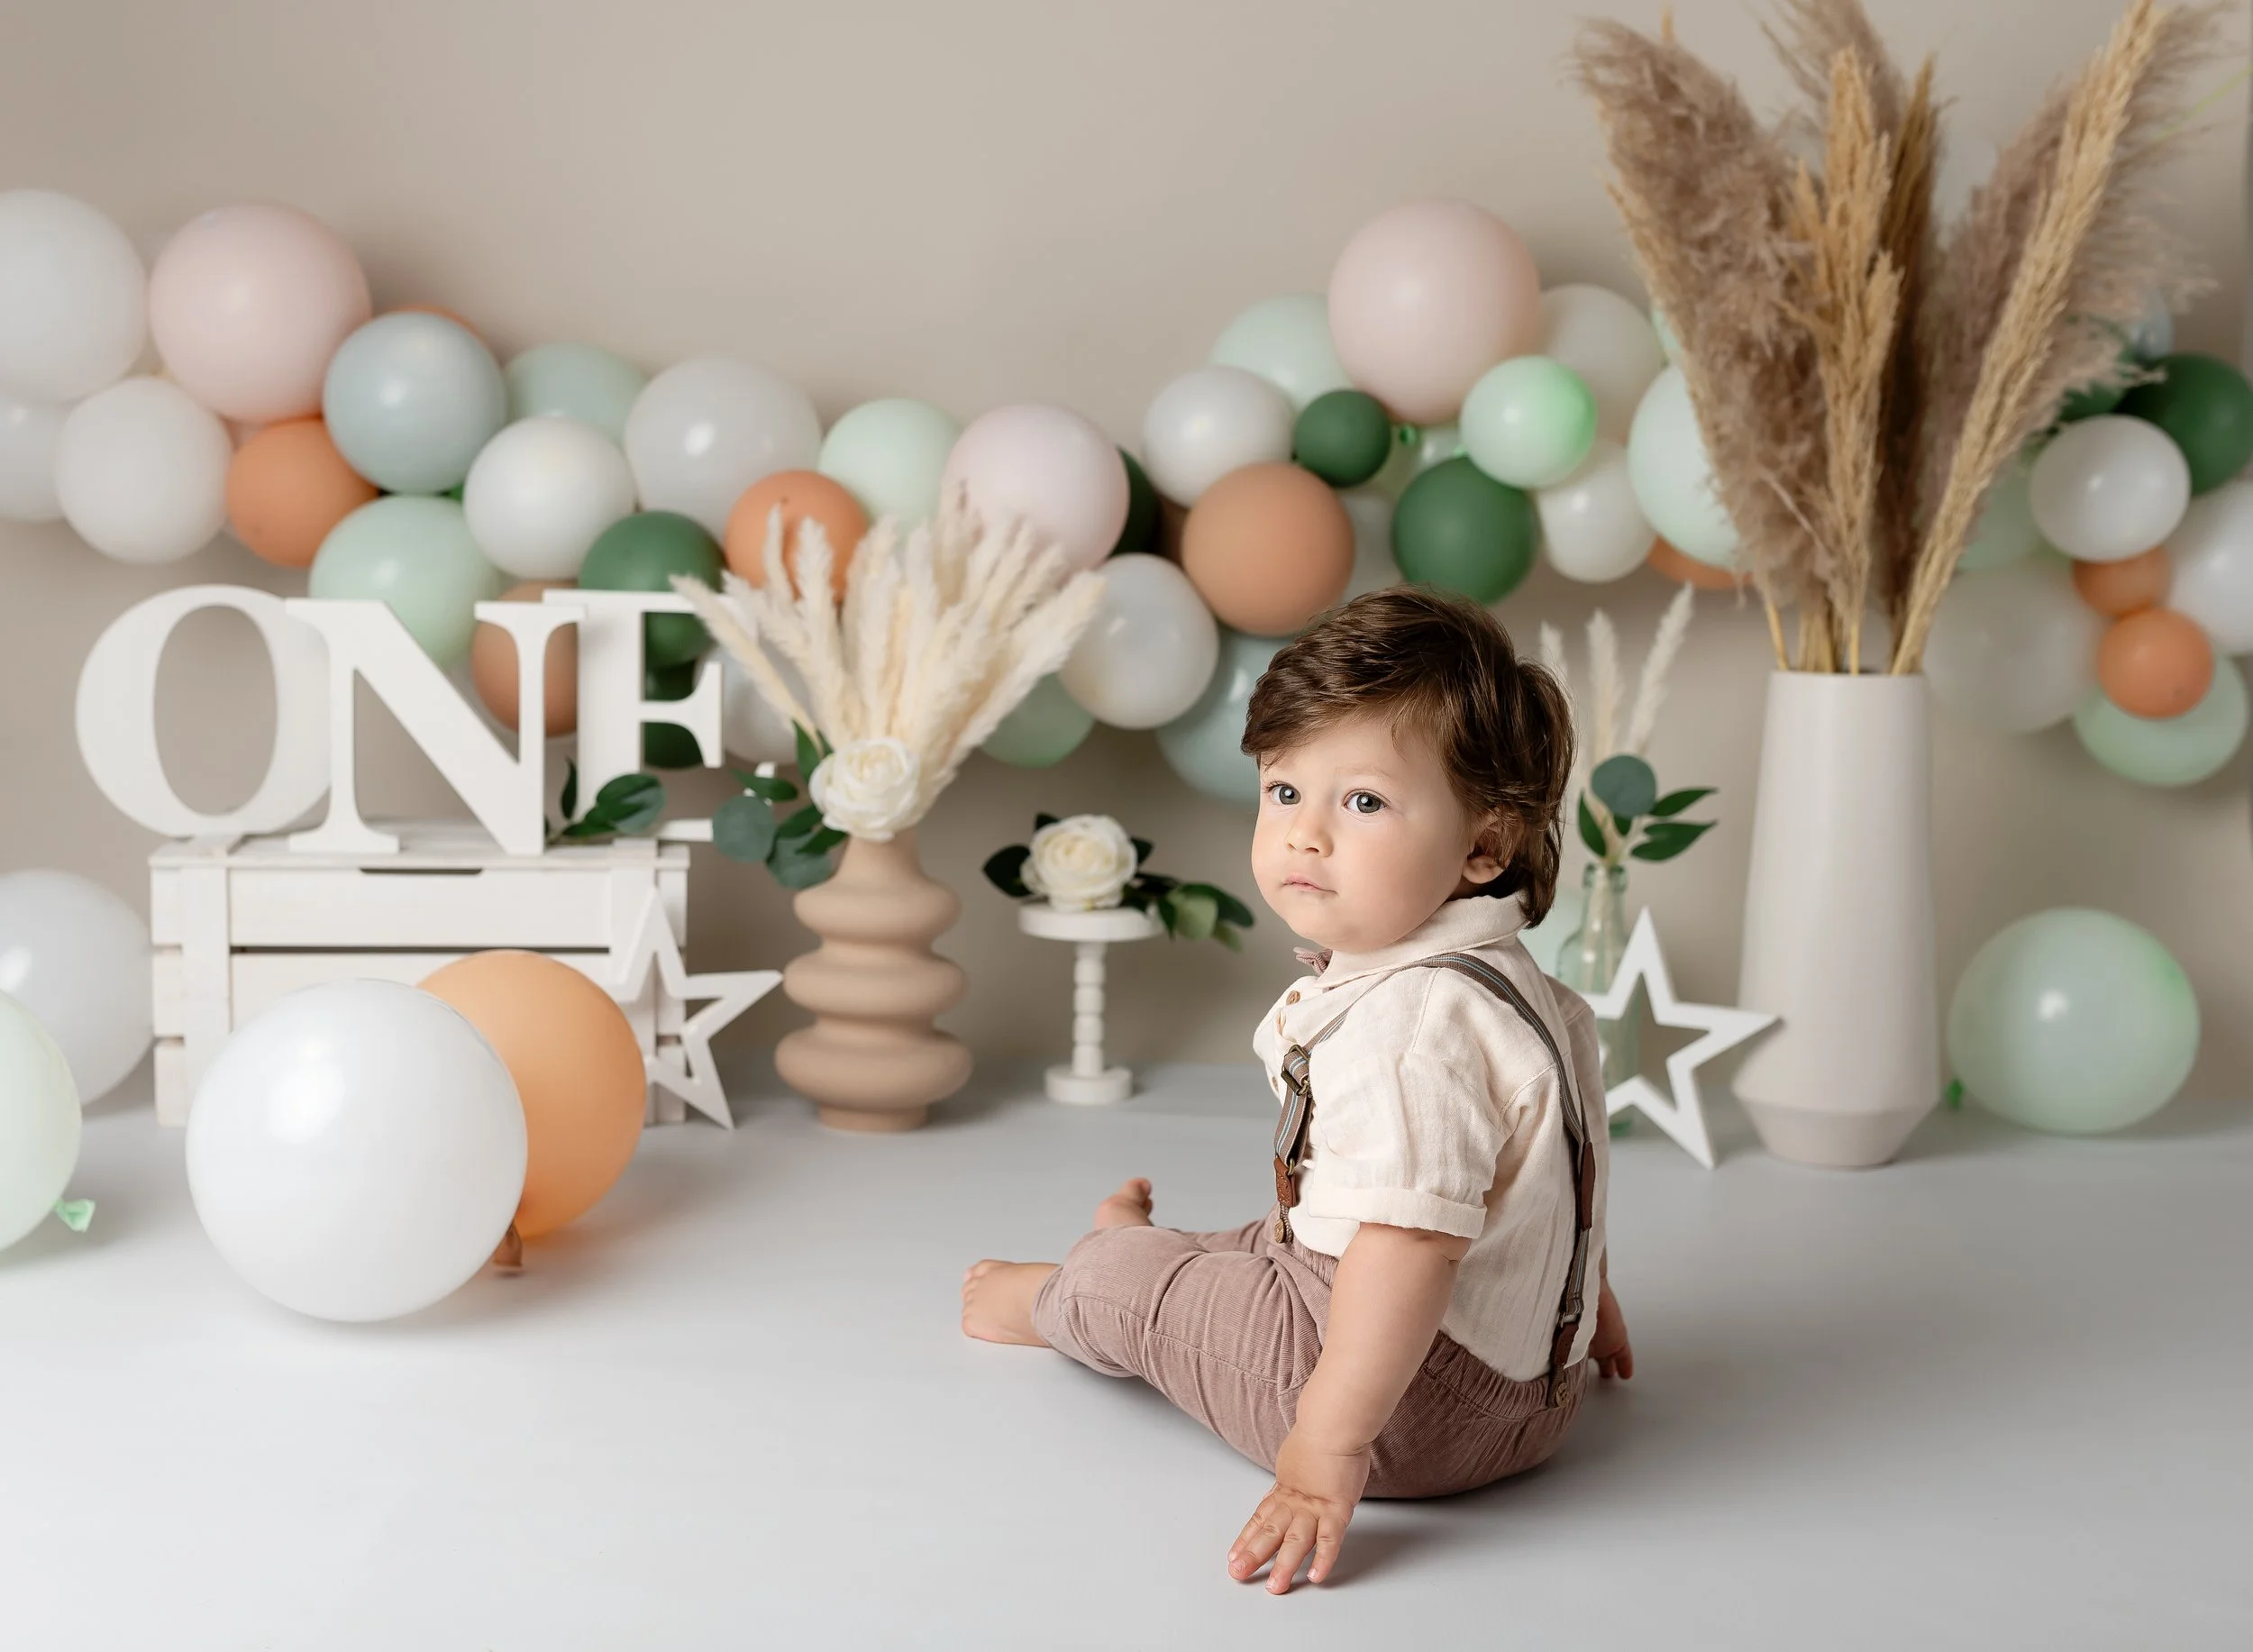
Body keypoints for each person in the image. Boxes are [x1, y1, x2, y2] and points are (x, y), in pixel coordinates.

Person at [961, 586, 1632, 1594]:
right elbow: (1546, 1175)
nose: (1305, 835)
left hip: (1414, 1419)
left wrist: (1325, 1456)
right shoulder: (1520, 988)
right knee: (1258, 1243)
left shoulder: (1411, 1027)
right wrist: (1574, 1309)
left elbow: (1408, 1249)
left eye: (1362, 802)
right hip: (1537, 1396)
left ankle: (1060, 1292)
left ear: (1483, 846)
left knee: (1138, 1293)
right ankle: (1154, 1253)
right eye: (1284, 793)